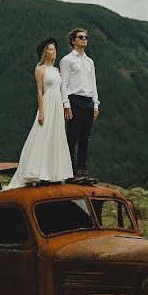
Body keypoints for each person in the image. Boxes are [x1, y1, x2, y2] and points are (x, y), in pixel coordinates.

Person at [3, 38, 74, 190]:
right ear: (44, 53)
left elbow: (62, 89)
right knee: (42, 133)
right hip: (48, 103)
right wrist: (41, 112)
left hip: (57, 104)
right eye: (50, 49)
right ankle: (35, 171)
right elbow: (39, 92)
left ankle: (53, 173)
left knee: (56, 135)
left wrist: (64, 106)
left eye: (54, 49)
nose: (53, 51)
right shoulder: (40, 69)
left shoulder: (56, 70)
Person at [60, 27, 99, 182]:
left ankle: (82, 173)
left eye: (86, 37)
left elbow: (93, 84)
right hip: (74, 100)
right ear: (73, 40)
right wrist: (66, 105)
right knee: (72, 138)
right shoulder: (67, 60)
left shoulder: (90, 61)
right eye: (81, 37)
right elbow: (64, 85)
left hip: (88, 101)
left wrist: (95, 104)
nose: (84, 39)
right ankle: (71, 173)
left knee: (85, 139)